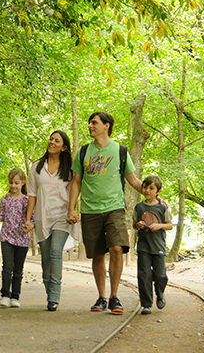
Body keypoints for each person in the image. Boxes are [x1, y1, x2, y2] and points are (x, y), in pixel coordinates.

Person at [67, 112, 142, 314]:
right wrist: (71, 208)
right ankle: (101, 297)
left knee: (117, 248)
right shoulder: (83, 152)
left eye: (94, 123)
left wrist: (152, 193)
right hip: (90, 210)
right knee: (98, 254)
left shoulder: (120, 151)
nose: (90, 126)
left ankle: (114, 296)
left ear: (106, 126)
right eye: (90, 123)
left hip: (114, 208)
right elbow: (76, 182)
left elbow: (133, 180)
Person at [22, 130, 78, 311]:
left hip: (62, 216)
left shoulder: (69, 169)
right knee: (46, 259)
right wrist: (28, 219)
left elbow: (74, 191)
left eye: (57, 140)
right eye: (51, 139)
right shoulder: (37, 167)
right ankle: (50, 291)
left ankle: (54, 297)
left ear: (64, 148)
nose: (52, 142)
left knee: (55, 252)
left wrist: (72, 210)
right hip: (42, 217)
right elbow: (32, 195)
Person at [0, 168, 30, 308]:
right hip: (7, 238)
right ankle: (5, 295)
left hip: (22, 239)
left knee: (18, 270)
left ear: (23, 183)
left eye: (16, 183)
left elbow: (32, 219)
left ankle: (15, 296)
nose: (13, 186)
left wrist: (30, 226)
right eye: (11, 183)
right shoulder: (5, 199)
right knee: (7, 267)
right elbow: (2, 216)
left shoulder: (27, 200)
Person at [132, 175, 173, 315]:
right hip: (143, 247)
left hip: (158, 246)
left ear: (158, 191)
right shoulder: (139, 207)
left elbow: (170, 225)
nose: (147, 190)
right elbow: (134, 224)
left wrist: (159, 226)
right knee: (144, 276)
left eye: (151, 188)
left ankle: (160, 292)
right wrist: (138, 224)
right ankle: (146, 304)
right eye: (145, 187)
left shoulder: (162, 207)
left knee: (161, 275)